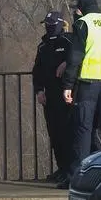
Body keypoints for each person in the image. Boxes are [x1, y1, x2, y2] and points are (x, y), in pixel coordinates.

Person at [60, 0, 101, 189]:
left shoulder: (83, 23)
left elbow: (75, 57)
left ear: (81, 9)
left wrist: (67, 85)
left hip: (89, 83)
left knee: (83, 130)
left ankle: (78, 177)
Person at [32, 11, 72, 183]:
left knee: (67, 133)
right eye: (46, 24)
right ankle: (62, 168)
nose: (48, 27)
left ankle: (71, 169)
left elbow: (79, 58)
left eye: (52, 24)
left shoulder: (68, 41)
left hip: (67, 95)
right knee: (54, 133)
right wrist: (39, 91)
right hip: (49, 96)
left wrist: (67, 62)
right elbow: (37, 71)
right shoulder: (43, 46)